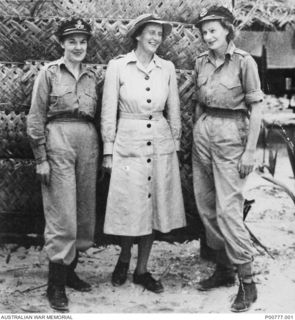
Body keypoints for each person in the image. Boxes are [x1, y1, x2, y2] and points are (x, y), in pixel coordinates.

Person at [101, 13, 186, 293]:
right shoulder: (119, 67)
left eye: (159, 34)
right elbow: (108, 111)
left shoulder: (168, 68)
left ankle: (142, 270)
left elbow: (174, 108)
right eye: (150, 32)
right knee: (132, 205)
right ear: (137, 35)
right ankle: (124, 258)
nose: (155, 38)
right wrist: (108, 151)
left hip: (160, 143)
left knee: (152, 207)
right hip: (129, 142)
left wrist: (174, 142)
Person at [192, 6, 264, 312]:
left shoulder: (244, 63)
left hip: (232, 133)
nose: (208, 36)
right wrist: (196, 132)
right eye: (204, 31)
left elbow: (257, 109)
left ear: (227, 30)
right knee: (207, 208)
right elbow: (197, 103)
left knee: (228, 210)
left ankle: (247, 282)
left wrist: (250, 151)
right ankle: (223, 269)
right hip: (203, 131)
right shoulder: (200, 63)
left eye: (213, 30)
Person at [27, 18, 100, 311]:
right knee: (62, 214)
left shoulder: (93, 76)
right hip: (58, 139)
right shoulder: (49, 74)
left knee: (84, 212)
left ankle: (70, 273)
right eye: (72, 41)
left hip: (87, 140)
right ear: (61, 43)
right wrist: (41, 158)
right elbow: (35, 118)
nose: (78, 46)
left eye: (82, 41)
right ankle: (55, 283)